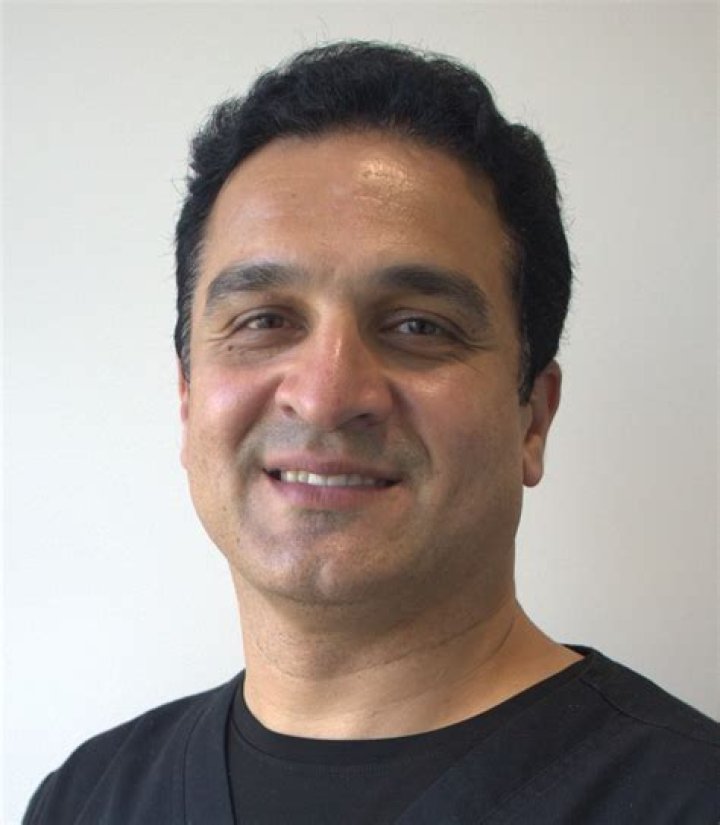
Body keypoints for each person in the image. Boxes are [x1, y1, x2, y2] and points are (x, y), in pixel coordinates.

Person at [24, 41, 718, 824]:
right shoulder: (84, 799)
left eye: (418, 325)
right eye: (265, 320)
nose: (325, 396)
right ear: (188, 400)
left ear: (533, 416)